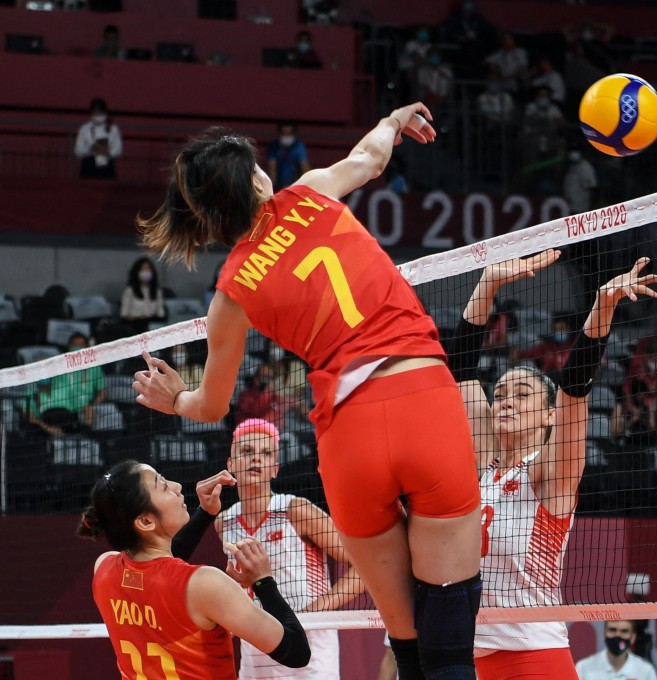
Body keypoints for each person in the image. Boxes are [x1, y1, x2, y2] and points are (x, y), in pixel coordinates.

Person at [133, 102, 482, 680]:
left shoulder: (229, 296)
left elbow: (212, 405)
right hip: (421, 397)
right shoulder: (310, 193)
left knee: (410, 644)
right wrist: (393, 122)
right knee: (451, 633)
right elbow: (369, 158)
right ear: (256, 180)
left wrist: (175, 401)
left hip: (349, 438)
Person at [451, 251, 657, 679]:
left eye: (523, 394)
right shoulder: (484, 463)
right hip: (471, 650)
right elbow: (460, 369)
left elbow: (574, 392)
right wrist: (487, 286)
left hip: (532, 654)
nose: (506, 400)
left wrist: (602, 310)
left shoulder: (549, 471)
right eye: (501, 395)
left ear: (548, 414)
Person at [77, 461, 311, 678]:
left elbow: (157, 569)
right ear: (146, 522)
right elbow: (297, 652)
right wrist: (263, 581)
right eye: (163, 485)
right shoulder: (206, 585)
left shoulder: (104, 569)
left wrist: (205, 513)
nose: (177, 486)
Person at [217, 419, 365, 678]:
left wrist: (320, 607)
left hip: (310, 647)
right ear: (231, 465)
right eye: (247, 451)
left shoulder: (296, 510)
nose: (257, 460)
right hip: (256, 652)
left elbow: (364, 565)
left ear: (275, 469)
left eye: (266, 454)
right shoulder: (223, 522)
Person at [25, 333, 107, 436]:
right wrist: (48, 428)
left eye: (81, 345)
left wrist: (87, 425)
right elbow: (30, 416)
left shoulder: (62, 386)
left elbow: (86, 406)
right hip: (44, 428)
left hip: (68, 421)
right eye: (39, 369)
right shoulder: (31, 393)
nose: (77, 348)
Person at [575, 620, 657, 680]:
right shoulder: (583, 668)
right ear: (604, 634)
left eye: (624, 631)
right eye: (612, 630)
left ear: (633, 637)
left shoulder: (646, 671)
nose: (618, 635)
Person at [74, 98, 123, 179]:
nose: (97, 115)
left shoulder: (113, 128)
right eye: (95, 112)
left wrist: (107, 152)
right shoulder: (84, 128)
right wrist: (91, 149)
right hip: (89, 166)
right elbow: (78, 151)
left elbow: (118, 150)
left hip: (107, 166)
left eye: (100, 112)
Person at [120, 257, 166, 332]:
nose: (146, 272)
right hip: (135, 326)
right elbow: (124, 314)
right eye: (143, 269)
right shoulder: (130, 291)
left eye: (148, 269)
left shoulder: (156, 291)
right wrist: (137, 318)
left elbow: (161, 313)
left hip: (152, 325)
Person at [266, 122, 311, 189]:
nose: (286, 136)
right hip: (279, 186)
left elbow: (305, 167)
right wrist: (272, 187)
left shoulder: (299, 146)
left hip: (295, 184)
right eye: (284, 134)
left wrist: (307, 184)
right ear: (279, 133)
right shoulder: (274, 146)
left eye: (289, 134)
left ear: (294, 134)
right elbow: (272, 168)